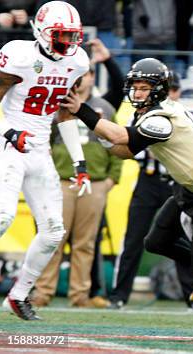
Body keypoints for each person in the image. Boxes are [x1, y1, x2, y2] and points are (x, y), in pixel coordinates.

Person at [60, 58, 193, 325]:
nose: (138, 92)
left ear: (160, 88)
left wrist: (84, 111)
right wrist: (104, 134)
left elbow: (121, 139)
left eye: (145, 87)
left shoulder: (163, 118)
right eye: (136, 87)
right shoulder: (153, 113)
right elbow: (126, 151)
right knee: (156, 242)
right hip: (189, 189)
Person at [0, 1, 92, 320]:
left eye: (72, 36)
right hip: (7, 144)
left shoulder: (77, 61)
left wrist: (80, 164)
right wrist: (9, 132)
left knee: (53, 230)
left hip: (39, 149)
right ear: (40, 31)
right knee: (2, 217)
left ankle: (18, 296)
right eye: (61, 35)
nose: (68, 43)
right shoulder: (19, 55)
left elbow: (66, 112)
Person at [31, 64, 123, 309]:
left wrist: (111, 179)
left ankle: (80, 294)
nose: (82, 79)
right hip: (61, 180)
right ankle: (43, 292)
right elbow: (45, 142)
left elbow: (116, 144)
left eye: (86, 75)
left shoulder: (104, 108)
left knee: (86, 242)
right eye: (78, 75)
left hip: (95, 182)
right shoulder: (55, 106)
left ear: (93, 78)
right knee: (53, 238)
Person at [108, 71, 193, 311]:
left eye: (174, 90)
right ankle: (119, 296)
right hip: (148, 180)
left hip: (176, 182)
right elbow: (128, 146)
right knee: (133, 237)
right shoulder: (142, 115)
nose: (170, 95)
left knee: (182, 238)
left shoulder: (186, 115)